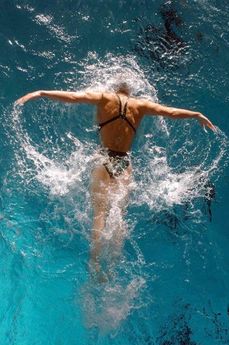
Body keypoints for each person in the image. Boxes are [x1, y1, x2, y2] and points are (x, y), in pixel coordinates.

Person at [16, 81, 216, 278]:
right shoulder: (140, 105)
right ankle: (112, 268)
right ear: (130, 93)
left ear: (115, 90)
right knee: (119, 216)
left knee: (99, 214)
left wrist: (41, 92)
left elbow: (73, 97)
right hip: (124, 164)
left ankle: (94, 264)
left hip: (104, 160)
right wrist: (196, 115)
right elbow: (170, 112)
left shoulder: (104, 98)